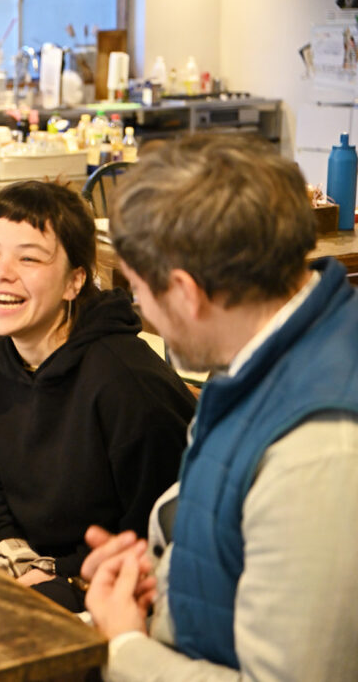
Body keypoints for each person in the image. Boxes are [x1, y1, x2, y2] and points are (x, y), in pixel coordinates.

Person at [80, 134, 358, 680]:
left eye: (138, 291)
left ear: (186, 293)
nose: (139, 308)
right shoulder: (265, 354)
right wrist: (165, 570)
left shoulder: (320, 448)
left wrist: (123, 648)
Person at [0, 181, 194, 612]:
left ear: (75, 281)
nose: (0, 272)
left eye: (29, 258)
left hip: (118, 580)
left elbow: (161, 530)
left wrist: (61, 574)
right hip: (34, 553)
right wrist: (15, 549)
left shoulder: (126, 382)